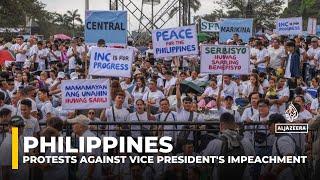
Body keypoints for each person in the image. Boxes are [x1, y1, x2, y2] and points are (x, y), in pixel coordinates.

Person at [202, 112, 255, 180]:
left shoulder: (214, 143)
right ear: (235, 125)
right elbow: (253, 159)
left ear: (221, 125)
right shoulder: (246, 142)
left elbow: (203, 162)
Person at [67, 115, 101, 180]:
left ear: (80, 126)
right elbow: (84, 154)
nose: (72, 126)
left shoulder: (87, 137)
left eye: (74, 124)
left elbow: (92, 159)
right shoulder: (86, 136)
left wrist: (88, 176)